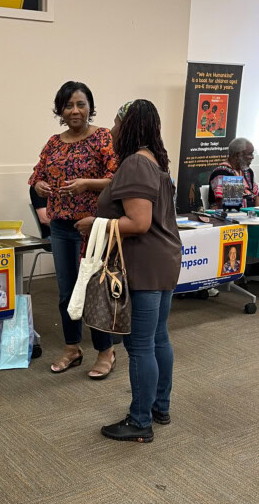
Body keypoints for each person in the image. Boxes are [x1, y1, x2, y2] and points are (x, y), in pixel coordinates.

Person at [75, 99, 181, 443]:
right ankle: (158, 407)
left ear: (128, 125)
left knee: (139, 346)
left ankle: (140, 421)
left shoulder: (135, 162)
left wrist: (96, 224)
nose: (112, 130)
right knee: (158, 338)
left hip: (145, 264)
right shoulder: (153, 161)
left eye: (116, 124)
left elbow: (138, 221)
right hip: (162, 261)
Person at [29, 80, 119, 378]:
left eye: (81, 104)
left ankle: (106, 351)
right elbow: (36, 177)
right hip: (61, 227)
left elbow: (117, 179)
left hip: (93, 227)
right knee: (67, 292)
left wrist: (86, 185)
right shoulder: (54, 142)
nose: (75, 110)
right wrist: (39, 186)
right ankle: (72, 347)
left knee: (95, 291)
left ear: (90, 108)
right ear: (60, 110)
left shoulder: (103, 138)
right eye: (69, 105)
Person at [208, 137, 259, 208]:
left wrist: (258, 212)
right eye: (249, 154)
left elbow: (256, 197)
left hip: (248, 214)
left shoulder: (248, 171)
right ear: (237, 155)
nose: (252, 157)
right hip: (228, 216)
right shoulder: (222, 172)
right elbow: (231, 205)